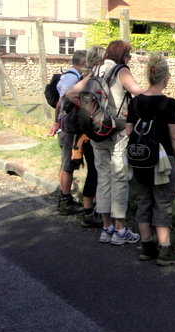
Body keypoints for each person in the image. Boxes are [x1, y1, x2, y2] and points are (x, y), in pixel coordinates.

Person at [66, 40, 143, 245]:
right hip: (118, 131)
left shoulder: (97, 70)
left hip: (97, 131)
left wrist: (91, 114)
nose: (129, 59)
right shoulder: (121, 71)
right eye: (129, 55)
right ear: (122, 55)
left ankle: (106, 227)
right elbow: (139, 93)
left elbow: (71, 93)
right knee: (119, 178)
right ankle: (120, 230)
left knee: (103, 177)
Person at [125, 53, 175, 265]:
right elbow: (174, 136)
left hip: (139, 159)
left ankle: (147, 246)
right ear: (165, 77)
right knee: (163, 202)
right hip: (161, 160)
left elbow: (129, 131)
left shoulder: (136, 102)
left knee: (143, 201)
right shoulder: (169, 103)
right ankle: (165, 250)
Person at [48, 50, 87, 216]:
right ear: (82, 63)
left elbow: (58, 103)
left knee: (67, 164)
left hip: (65, 126)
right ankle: (65, 201)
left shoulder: (69, 76)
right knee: (68, 165)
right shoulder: (72, 77)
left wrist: (56, 122)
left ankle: (66, 198)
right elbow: (64, 100)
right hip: (69, 128)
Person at [77, 45, 106, 227]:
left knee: (95, 171)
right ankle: (89, 212)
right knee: (95, 172)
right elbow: (72, 94)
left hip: (87, 127)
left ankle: (92, 208)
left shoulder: (86, 76)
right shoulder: (92, 77)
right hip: (90, 130)